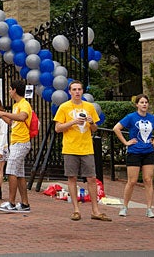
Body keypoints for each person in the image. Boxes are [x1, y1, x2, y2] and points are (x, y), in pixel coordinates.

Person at [54, 80, 110, 221]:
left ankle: (95, 211)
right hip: (70, 147)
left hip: (86, 147)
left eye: (79, 89)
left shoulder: (89, 107)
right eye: (74, 89)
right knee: (72, 178)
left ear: (82, 91)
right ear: (69, 91)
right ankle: (76, 209)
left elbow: (95, 129)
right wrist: (73, 122)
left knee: (91, 178)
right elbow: (58, 128)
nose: (77, 92)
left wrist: (91, 122)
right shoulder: (64, 107)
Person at [113, 94, 154, 218]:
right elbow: (116, 128)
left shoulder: (152, 118)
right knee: (132, 181)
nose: (144, 104)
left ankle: (149, 208)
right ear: (137, 104)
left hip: (148, 151)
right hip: (134, 151)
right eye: (141, 102)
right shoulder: (131, 117)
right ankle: (124, 206)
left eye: (146, 102)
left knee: (148, 180)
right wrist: (126, 142)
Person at [0, 81, 32, 213]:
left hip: (21, 142)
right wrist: (1, 114)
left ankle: (11, 202)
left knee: (11, 171)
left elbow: (22, 117)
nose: (9, 91)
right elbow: (12, 122)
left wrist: (4, 113)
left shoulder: (24, 104)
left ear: (14, 90)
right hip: (16, 142)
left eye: (10, 89)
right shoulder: (16, 105)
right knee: (19, 174)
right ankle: (25, 203)